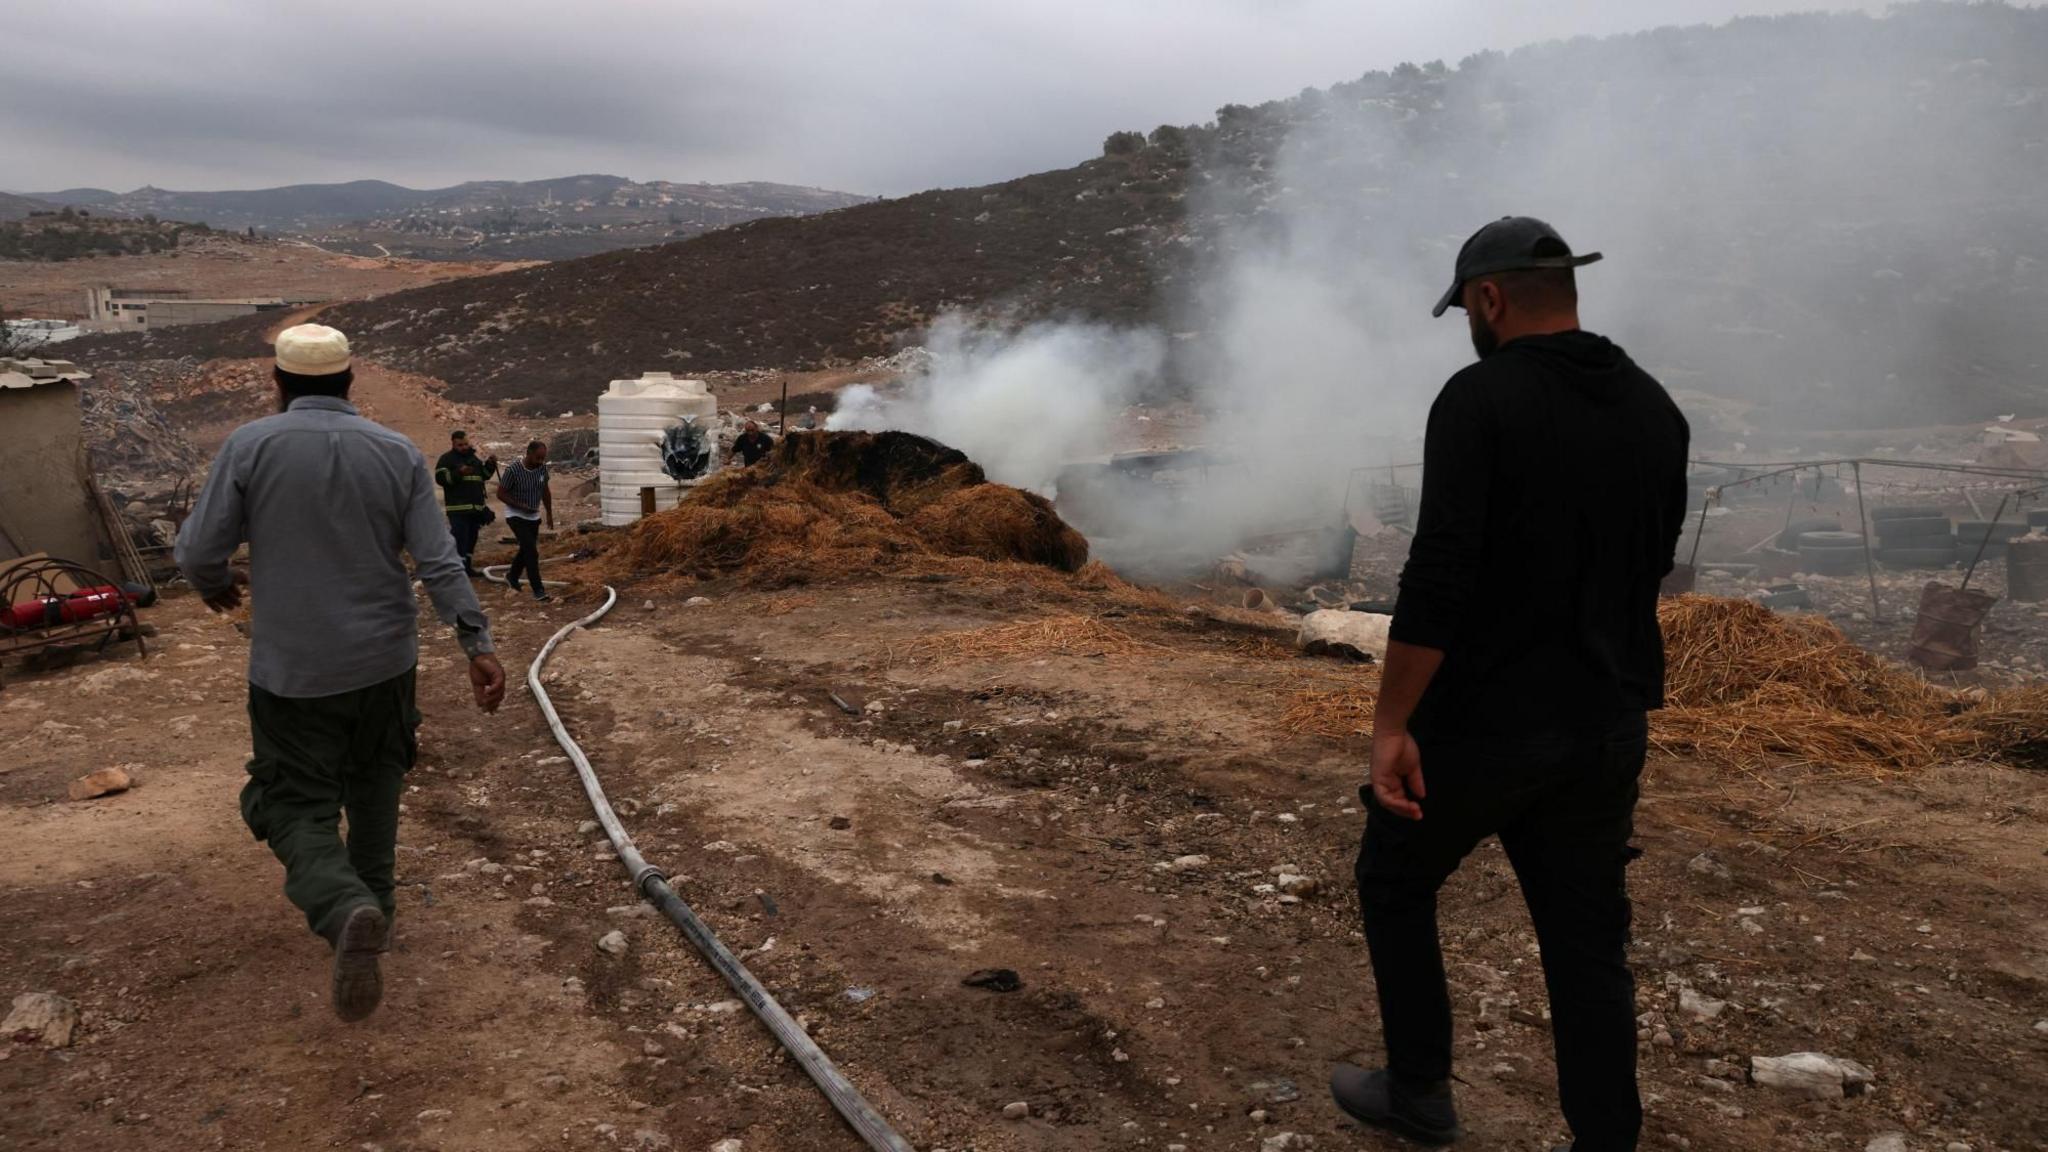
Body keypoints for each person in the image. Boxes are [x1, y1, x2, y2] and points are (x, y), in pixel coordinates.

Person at [1330, 217, 1689, 1152]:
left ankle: (1418, 1091)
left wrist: (1390, 725)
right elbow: (1652, 562)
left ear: (1488, 299)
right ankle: (1605, 1141)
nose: (1469, 327)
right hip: (1607, 722)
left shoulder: (1479, 398)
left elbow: (1441, 572)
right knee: (1586, 947)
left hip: (1487, 725)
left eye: (1467, 311)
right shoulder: (1655, 406)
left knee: (1395, 881)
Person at [175, 323, 506, 1024]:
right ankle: (376, 911)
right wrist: (476, 642)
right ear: (351, 382)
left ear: (280, 383)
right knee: (377, 776)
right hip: (385, 661)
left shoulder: (249, 447)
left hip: (293, 669)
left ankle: (343, 904)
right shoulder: (397, 453)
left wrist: (213, 582)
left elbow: (198, 550)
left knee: (289, 801)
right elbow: (440, 560)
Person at [434, 429, 498, 576]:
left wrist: (490, 464)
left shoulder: (474, 459)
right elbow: (441, 479)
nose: (464, 447)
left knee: (472, 538)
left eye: (465, 444)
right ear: (453, 444)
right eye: (460, 445)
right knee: (459, 538)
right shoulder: (447, 459)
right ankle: (456, 570)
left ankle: (467, 568)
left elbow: (484, 476)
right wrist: (459, 473)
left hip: (475, 509)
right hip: (458, 509)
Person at [497, 439, 553, 601]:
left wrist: (549, 513)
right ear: (528, 454)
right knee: (531, 552)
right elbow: (501, 494)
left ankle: (512, 576)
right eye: (537, 458)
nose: (540, 462)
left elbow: (545, 491)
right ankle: (538, 589)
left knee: (526, 549)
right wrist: (520, 506)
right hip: (515, 515)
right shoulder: (513, 470)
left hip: (533, 516)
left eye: (543, 458)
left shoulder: (542, 469)